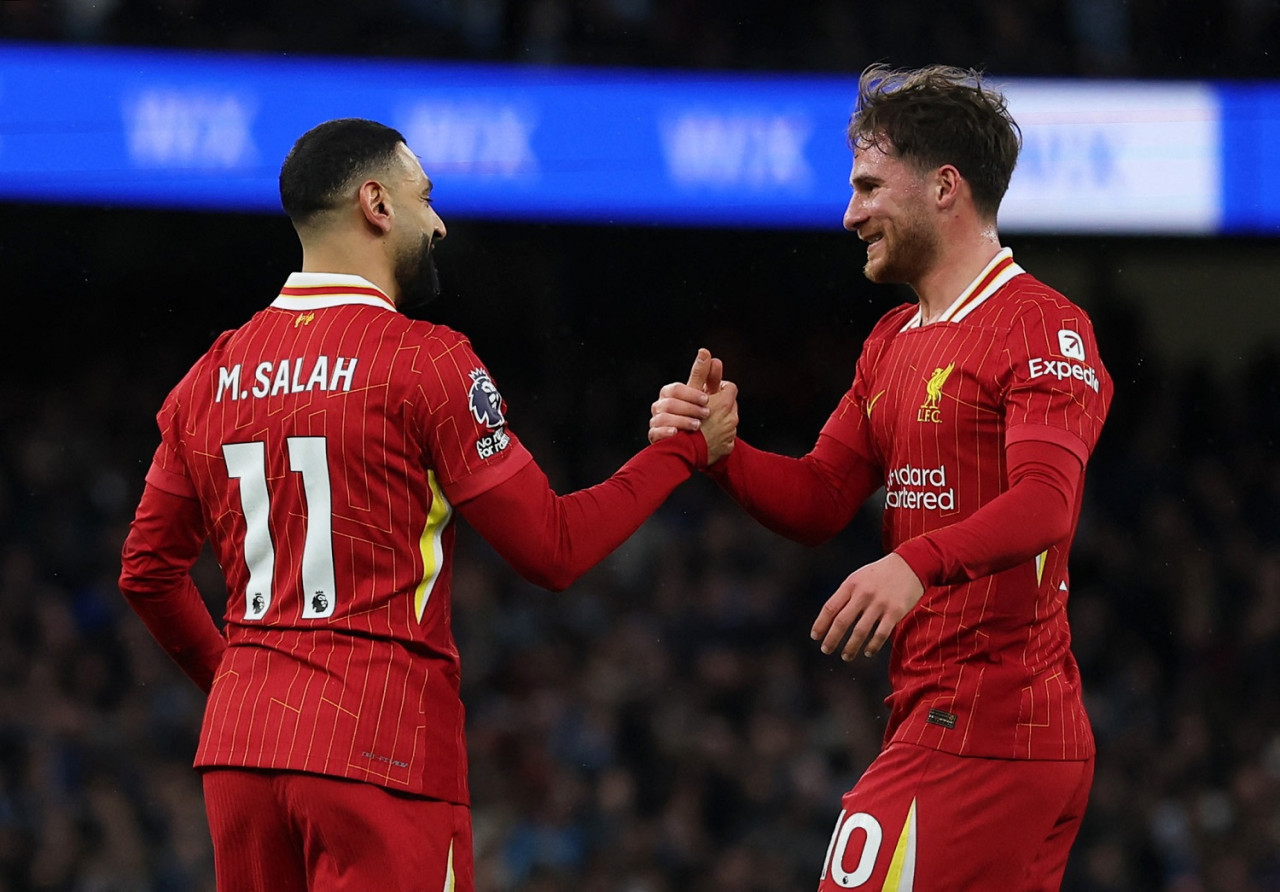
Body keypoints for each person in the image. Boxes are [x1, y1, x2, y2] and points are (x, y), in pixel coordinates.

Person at [118, 117, 736, 892]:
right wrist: (681, 449)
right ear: (376, 204)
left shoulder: (208, 376)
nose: (437, 221)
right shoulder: (424, 360)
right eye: (425, 195)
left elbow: (146, 572)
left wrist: (244, 682)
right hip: (382, 746)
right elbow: (553, 549)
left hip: (240, 756)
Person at [651, 64, 1113, 890]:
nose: (850, 212)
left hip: (988, 727)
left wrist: (914, 561)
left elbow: (1047, 504)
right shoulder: (893, 341)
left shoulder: (1042, 325)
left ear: (944, 187)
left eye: (869, 186)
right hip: (945, 720)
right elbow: (822, 496)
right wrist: (721, 451)